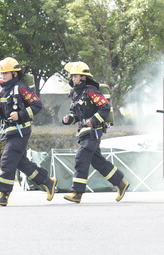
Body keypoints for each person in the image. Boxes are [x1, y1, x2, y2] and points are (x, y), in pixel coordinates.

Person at [0, 57, 56, 206]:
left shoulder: (20, 88)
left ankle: (3, 195)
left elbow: (37, 104)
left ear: (15, 74)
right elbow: (3, 112)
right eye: (2, 73)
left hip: (21, 132)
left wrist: (21, 114)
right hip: (10, 132)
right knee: (21, 163)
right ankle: (47, 182)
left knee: (7, 160)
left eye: (7, 73)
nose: (3, 75)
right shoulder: (1, 91)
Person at [62, 61, 129, 203]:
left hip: (94, 131)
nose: (73, 79)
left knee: (81, 158)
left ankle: (77, 192)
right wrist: (69, 119)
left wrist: (93, 120)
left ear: (83, 77)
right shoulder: (75, 94)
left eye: (76, 76)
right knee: (97, 162)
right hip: (84, 132)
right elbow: (76, 115)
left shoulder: (91, 91)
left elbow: (105, 107)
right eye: (72, 76)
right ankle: (121, 183)